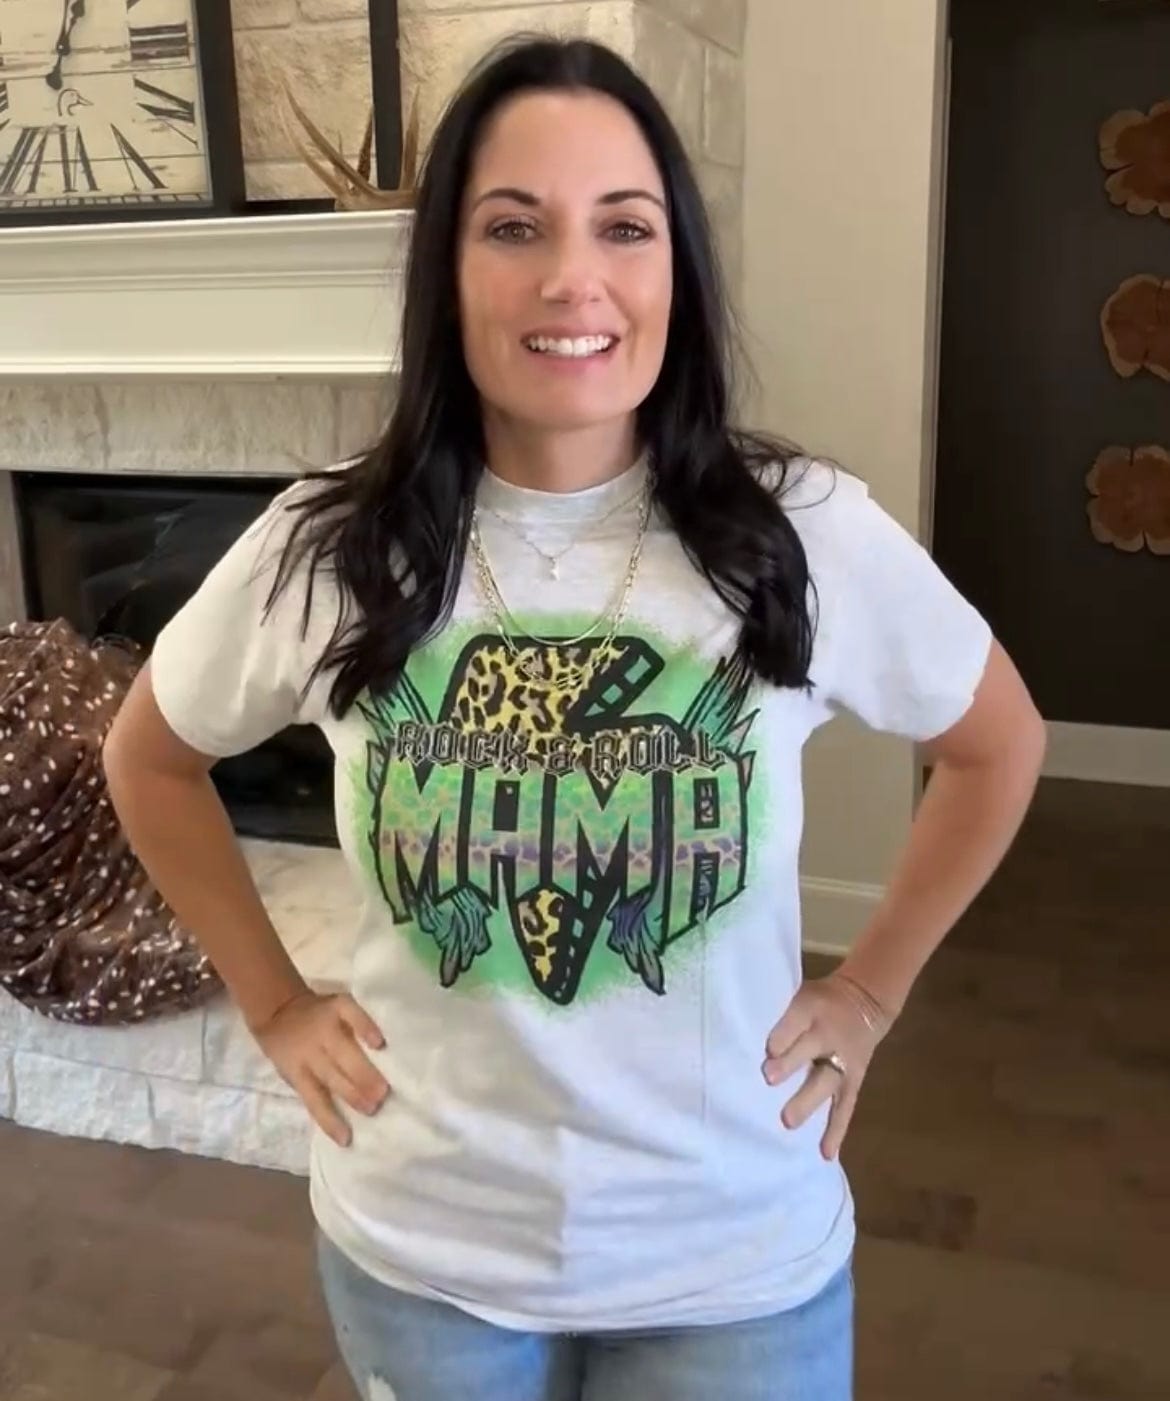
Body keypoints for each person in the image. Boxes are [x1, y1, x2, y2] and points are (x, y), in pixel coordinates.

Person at [103, 35, 1046, 1401]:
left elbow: (996, 742)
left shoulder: (803, 532)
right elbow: (149, 758)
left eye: (623, 225)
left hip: (733, 1261)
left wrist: (868, 990)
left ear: (676, 271)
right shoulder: (331, 546)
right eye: (512, 227)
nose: (572, 278)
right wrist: (275, 1001)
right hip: (423, 1250)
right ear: (446, 272)